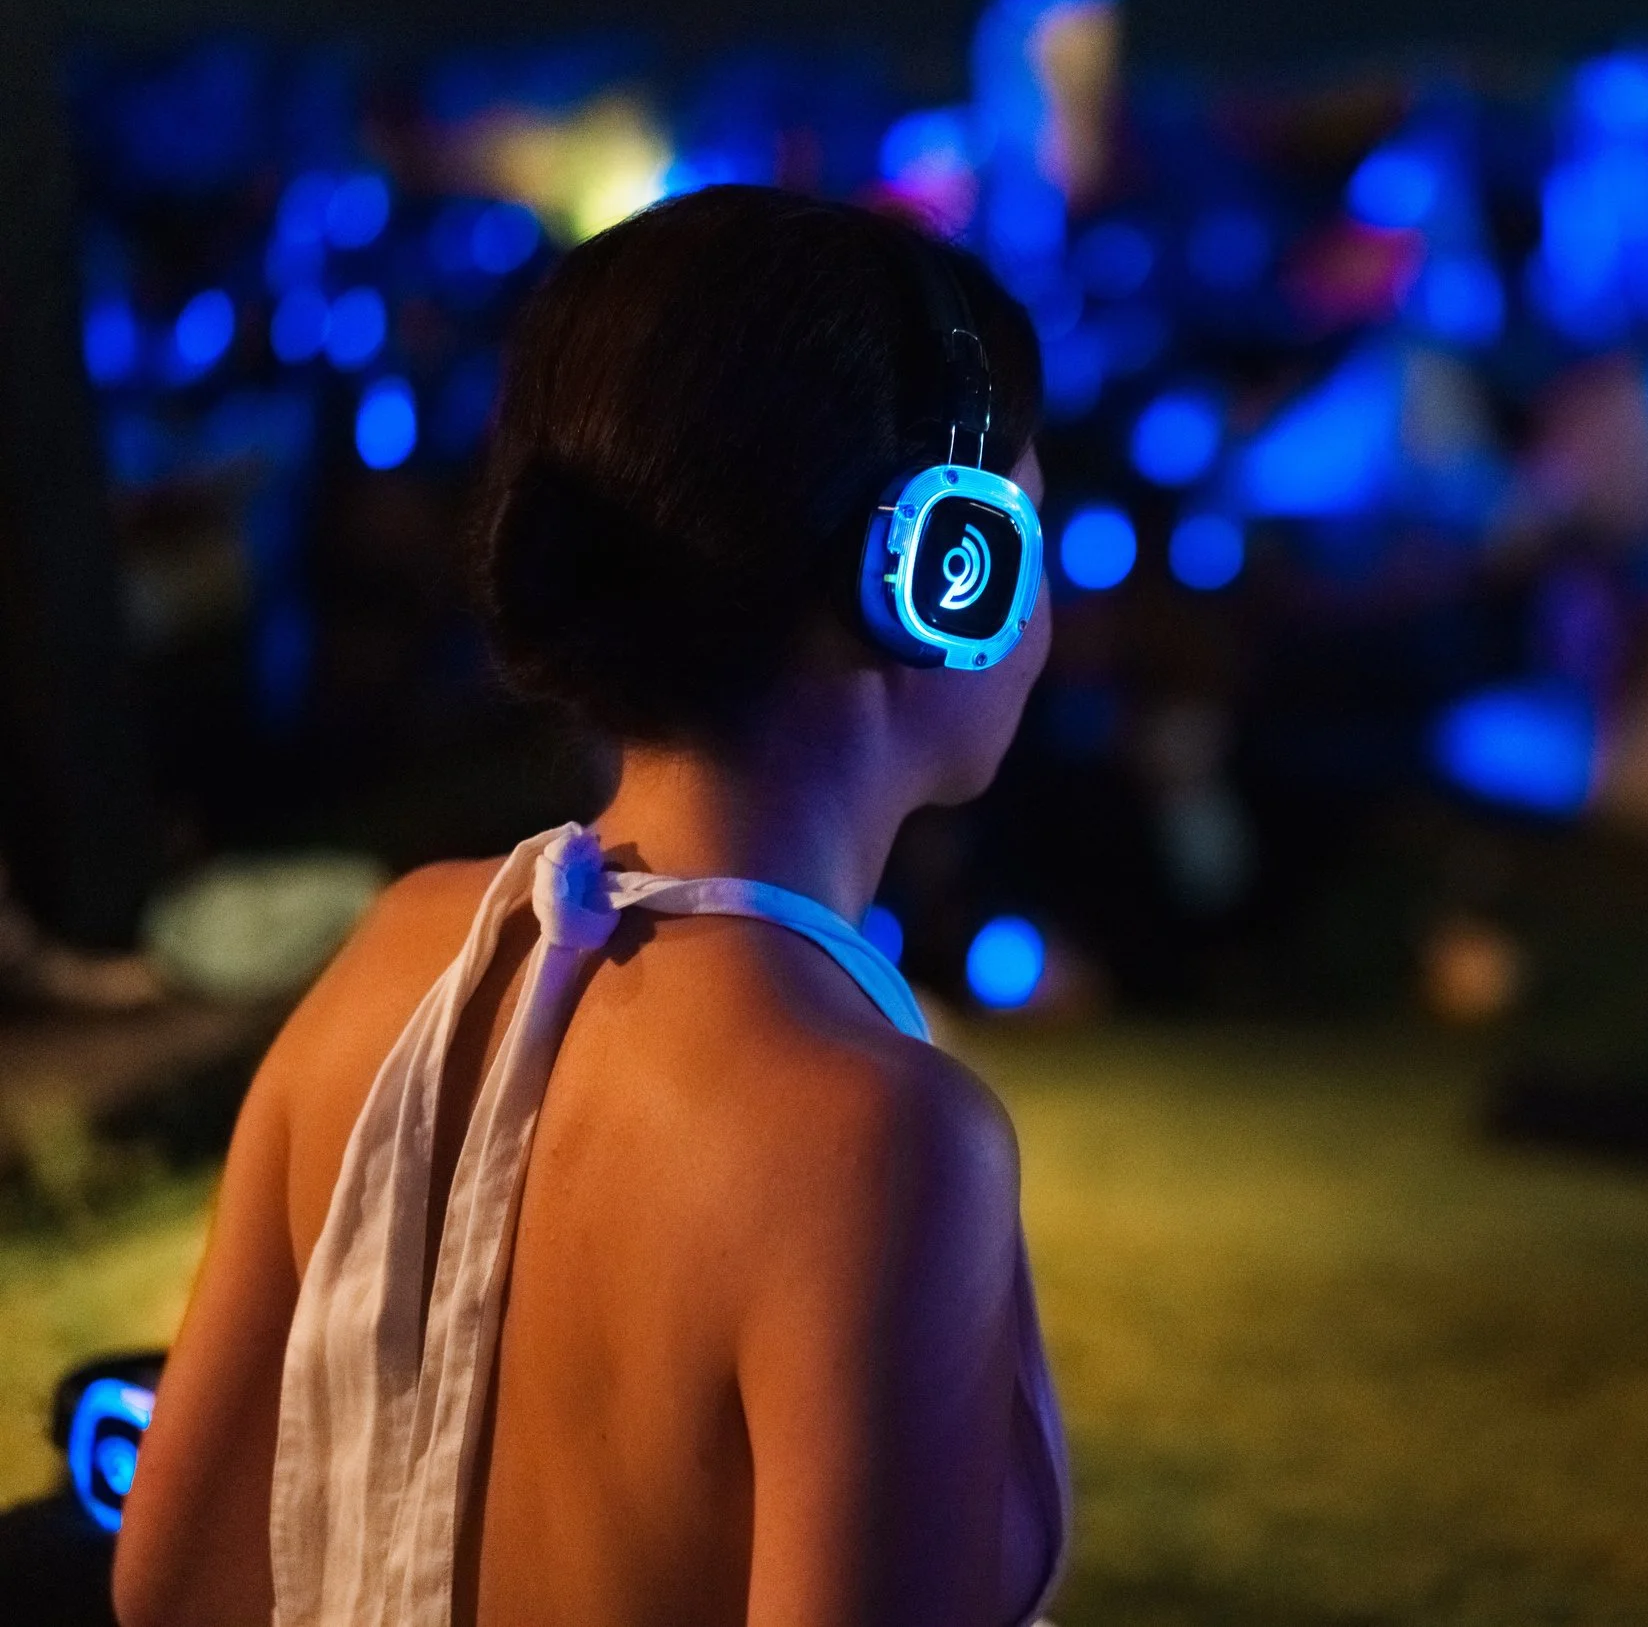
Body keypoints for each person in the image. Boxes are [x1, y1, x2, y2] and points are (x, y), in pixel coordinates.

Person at [111, 186, 1068, 1627]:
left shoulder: (392, 957)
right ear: (945, 572)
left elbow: (171, 1583)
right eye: (1028, 526)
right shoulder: (882, 1138)